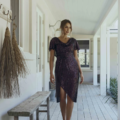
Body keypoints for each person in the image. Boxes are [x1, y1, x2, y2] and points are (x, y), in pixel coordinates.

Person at [49, 19, 84, 120]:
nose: (68, 29)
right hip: (60, 70)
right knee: (62, 96)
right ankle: (63, 118)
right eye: (66, 27)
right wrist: (51, 73)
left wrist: (81, 73)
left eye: (70, 27)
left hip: (73, 72)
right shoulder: (54, 41)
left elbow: (76, 58)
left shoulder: (73, 41)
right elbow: (51, 58)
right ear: (61, 28)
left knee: (70, 98)